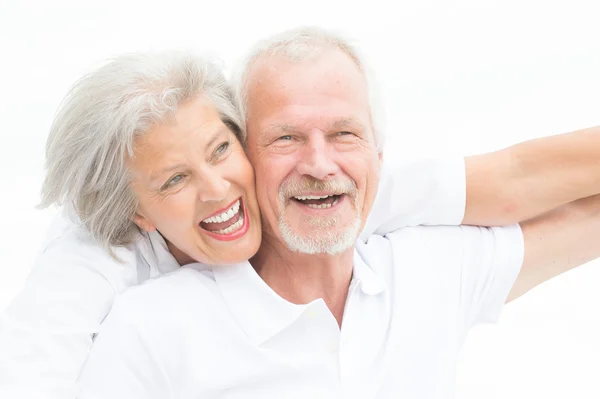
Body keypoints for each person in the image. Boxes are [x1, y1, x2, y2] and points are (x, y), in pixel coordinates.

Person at [71, 27, 600, 398]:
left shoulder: (429, 268)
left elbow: (577, 217)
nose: (320, 164)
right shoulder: (152, 329)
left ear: (379, 157)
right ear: (247, 161)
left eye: (345, 133)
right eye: (286, 138)